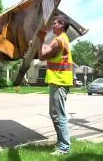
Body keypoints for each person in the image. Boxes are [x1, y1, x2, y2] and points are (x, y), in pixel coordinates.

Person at [38, 15, 73, 155]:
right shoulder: (61, 39)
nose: (52, 25)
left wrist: (40, 40)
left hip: (60, 82)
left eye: (55, 23)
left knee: (59, 115)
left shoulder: (59, 40)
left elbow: (42, 56)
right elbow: (48, 51)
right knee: (54, 114)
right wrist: (42, 44)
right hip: (57, 81)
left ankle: (64, 147)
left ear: (61, 25)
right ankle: (61, 143)